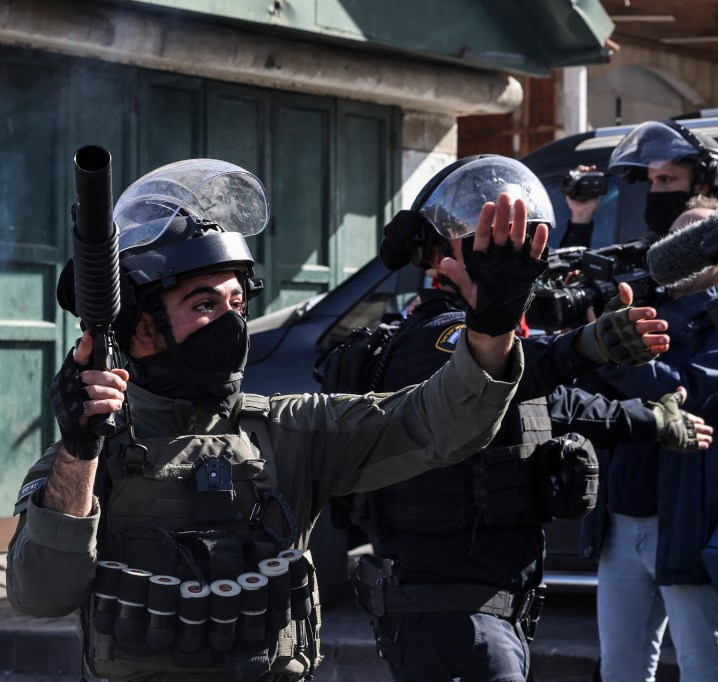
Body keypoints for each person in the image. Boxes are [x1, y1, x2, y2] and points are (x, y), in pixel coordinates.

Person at [6, 157, 551, 681]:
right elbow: (41, 593)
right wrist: (80, 450)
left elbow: (440, 423)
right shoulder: (86, 457)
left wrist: (491, 329)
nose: (232, 325)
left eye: (238, 305)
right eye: (204, 306)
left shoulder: (289, 433)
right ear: (142, 331)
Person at [321, 155, 714, 682]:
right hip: (450, 614)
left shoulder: (489, 346)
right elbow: (498, 373)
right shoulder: (434, 339)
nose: (508, 260)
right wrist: (586, 345)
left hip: (491, 609)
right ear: (440, 257)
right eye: (489, 247)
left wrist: (652, 419)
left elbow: (551, 404)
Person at [579, 199, 718, 682]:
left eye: (696, 244)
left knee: (704, 668)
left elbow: (687, 393)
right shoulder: (643, 308)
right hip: (623, 518)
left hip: (694, 522)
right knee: (620, 669)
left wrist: (610, 350)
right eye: (673, 242)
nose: (679, 255)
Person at [562, 119, 718, 247]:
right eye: (651, 181)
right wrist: (581, 215)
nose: (655, 191)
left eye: (666, 179)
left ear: (702, 186)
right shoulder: (647, 253)